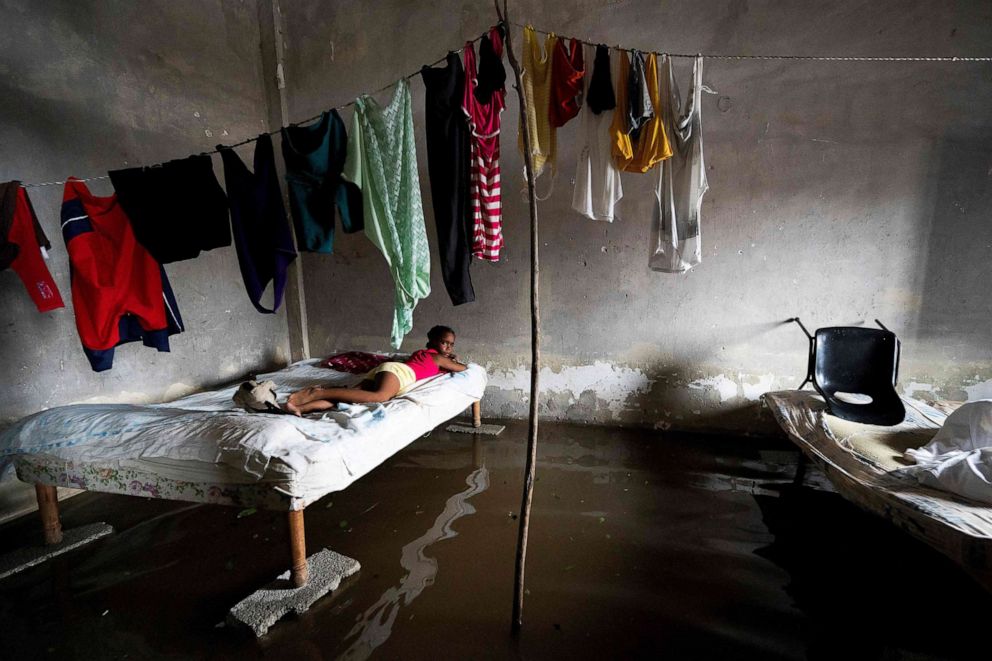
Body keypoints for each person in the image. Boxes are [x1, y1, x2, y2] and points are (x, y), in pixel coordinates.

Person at [284, 325, 467, 415]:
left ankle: (300, 407)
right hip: (399, 373)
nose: (448, 347)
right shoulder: (438, 357)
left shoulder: (424, 353)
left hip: (388, 370)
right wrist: (455, 359)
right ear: (434, 341)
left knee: (352, 397)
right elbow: (463, 368)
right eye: (445, 342)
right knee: (380, 396)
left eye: (451, 345)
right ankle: (317, 393)